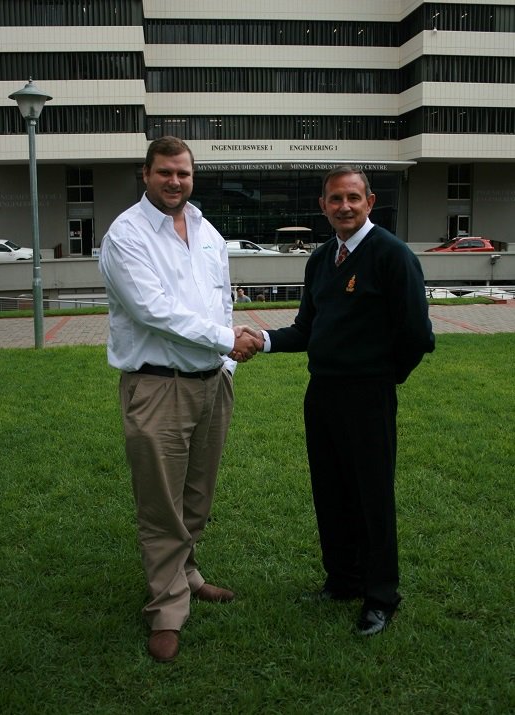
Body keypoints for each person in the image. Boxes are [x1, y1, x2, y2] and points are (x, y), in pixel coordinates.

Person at [238, 165, 434, 635]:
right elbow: (308, 327)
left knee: (372, 496)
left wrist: (385, 378)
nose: (344, 206)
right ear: (324, 206)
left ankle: (382, 595)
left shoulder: (393, 255)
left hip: (368, 395)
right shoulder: (322, 258)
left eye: (353, 198)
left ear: (370, 202)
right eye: (334, 199)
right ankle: (342, 579)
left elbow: (416, 335)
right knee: (330, 491)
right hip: (321, 393)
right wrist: (261, 339)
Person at [99, 136, 262, 663]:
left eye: (183, 174)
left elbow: (220, 298)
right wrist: (225, 340)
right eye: (165, 172)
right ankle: (167, 607)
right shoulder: (125, 235)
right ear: (145, 174)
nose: (175, 181)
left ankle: (187, 572)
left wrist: (228, 361)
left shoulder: (206, 229)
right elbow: (154, 311)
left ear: (193, 177)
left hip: (212, 383)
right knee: (160, 501)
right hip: (157, 385)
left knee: (197, 495)